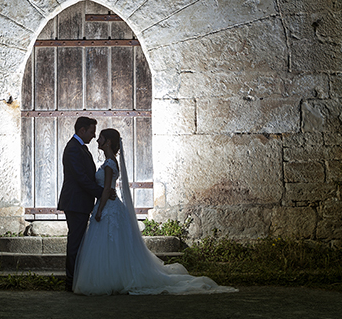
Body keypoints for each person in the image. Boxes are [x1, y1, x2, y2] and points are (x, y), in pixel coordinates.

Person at [73, 128, 237, 295]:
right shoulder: (110, 162)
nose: (96, 139)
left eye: (100, 137)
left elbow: (107, 190)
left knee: (109, 245)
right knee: (114, 246)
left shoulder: (109, 164)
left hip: (107, 208)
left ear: (107, 142)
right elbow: (107, 189)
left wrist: (99, 211)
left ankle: (109, 279)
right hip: (110, 206)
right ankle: (114, 277)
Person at [57, 116, 111, 292]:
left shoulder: (80, 148)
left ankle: (75, 279)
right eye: (91, 132)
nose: (94, 137)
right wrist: (101, 193)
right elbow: (81, 178)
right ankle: (70, 281)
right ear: (82, 130)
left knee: (79, 242)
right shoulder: (73, 149)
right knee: (75, 242)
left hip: (80, 202)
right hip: (75, 202)